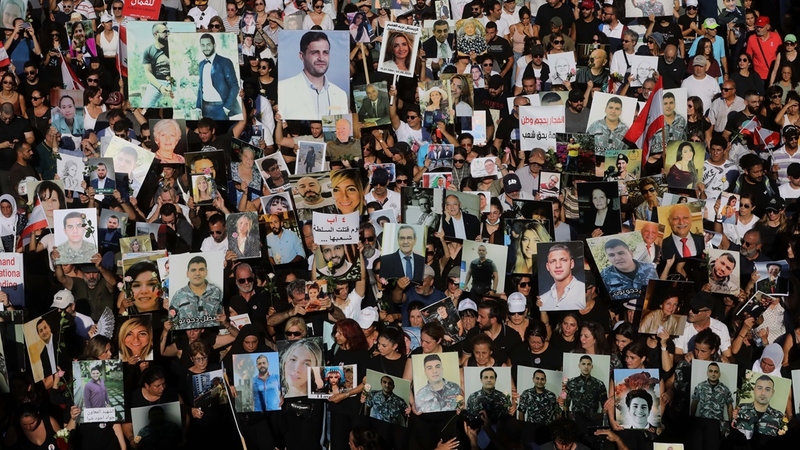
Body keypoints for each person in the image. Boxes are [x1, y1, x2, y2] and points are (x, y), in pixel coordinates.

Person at [278, 31, 348, 120]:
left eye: (325, 52)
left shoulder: (340, 95)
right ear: (302, 56)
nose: (321, 58)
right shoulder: (283, 89)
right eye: (315, 52)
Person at [170, 256, 223, 329]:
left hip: (212, 335)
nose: (197, 273)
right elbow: (172, 322)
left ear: (206, 272)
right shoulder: (179, 295)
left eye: (201, 269)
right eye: (193, 270)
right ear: (187, 273)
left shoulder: (217, 291)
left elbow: (222, 317)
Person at [196, 34, 241, 119]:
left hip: (221, 108)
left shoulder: (225, 62)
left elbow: (234, 86)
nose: (206, 48)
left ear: (214, 45)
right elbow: (200, 87)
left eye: (208, 44)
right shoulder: (201, 64)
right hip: (205, 108)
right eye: (203, 45)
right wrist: (198, 107)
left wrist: (227, 107)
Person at [734, 375, 784, 441]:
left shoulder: (779, 416)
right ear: (754, 390)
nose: (763, 393)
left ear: (772, 392)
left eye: (767, 389)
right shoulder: (741, 409)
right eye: (760, 388)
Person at [539, 244, 585, 311]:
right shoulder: (542, 299)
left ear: (571, 264)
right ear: (548, 267)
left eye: (563, 260)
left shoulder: (583, 292)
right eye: (553, 261)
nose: (558, 265)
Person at [141, 23, 172, 107]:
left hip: (174, 81)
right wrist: (160, 87)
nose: (168, 34)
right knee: (145, 104)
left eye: (168, 31)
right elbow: (148, 72)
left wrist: (172, 83)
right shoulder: (148, 50)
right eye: (165, 32)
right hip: (157, 82)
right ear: (155, 34)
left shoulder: (174, 46)